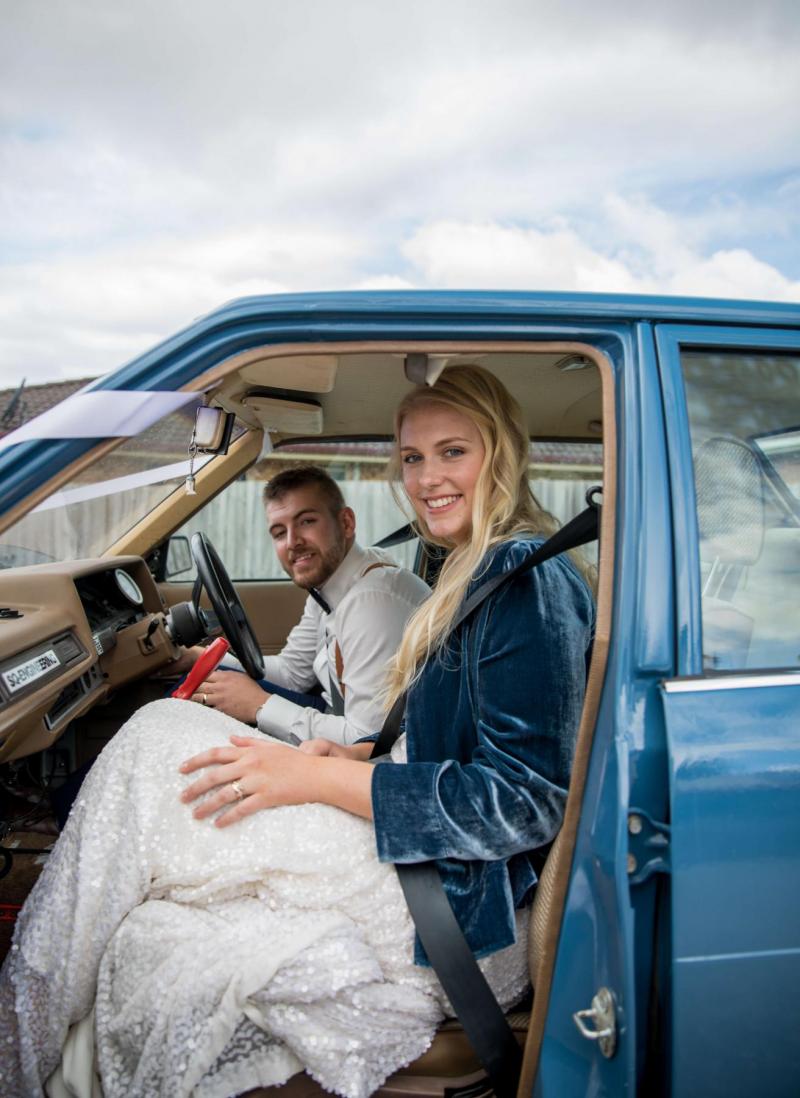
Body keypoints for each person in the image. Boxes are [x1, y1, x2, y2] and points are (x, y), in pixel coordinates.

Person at [0, 365, 595, 1098]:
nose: (427, 477)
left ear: (500, 451)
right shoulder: (472, 565)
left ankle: (14, 1051)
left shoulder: (524, 577)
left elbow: (522, 802)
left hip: (463, 911)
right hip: (439, 874)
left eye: (453, 452)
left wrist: (317, 777)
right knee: (157, 863)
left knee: (155, 744)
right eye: (412, 457)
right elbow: (454, 740)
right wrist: (345, 753)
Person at [180, 466, 430, 745]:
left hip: (370, 755)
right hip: (335, 715)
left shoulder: (371, 603)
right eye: (278, 532)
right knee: (195, 683)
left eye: (307, 521)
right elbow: (293, 673)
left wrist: (259, 705)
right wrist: (199, 657)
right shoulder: (329, 586)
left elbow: (369, 741)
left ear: (346, 523)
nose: (292, 542)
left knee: (187, 700)